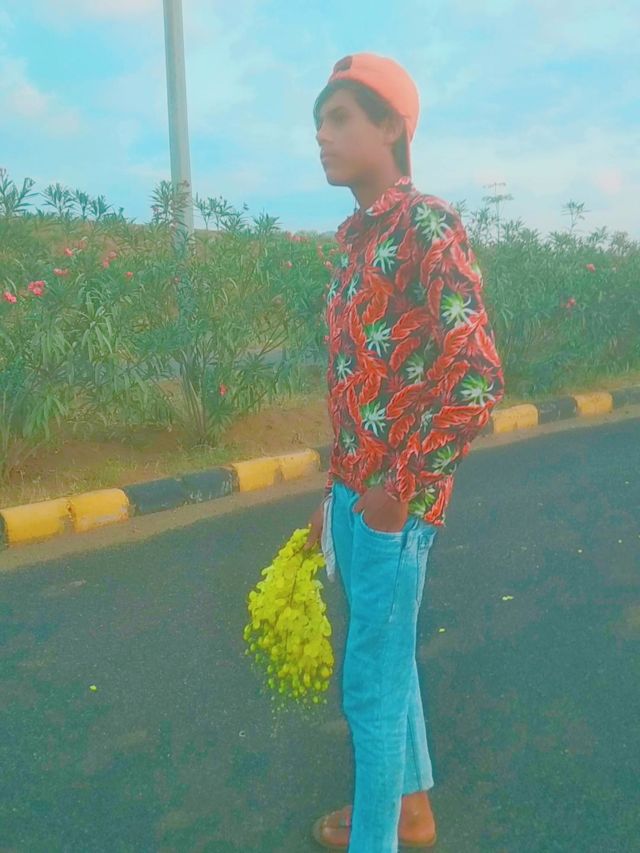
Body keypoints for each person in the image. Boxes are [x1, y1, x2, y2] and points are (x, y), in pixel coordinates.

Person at [304, 53, 505, 852]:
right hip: (355, 499)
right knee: (386, 667)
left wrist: (399, 488)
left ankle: (376, 838)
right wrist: (335, 493)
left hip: (394, 503)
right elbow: (358, 383)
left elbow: (477, 373)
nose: (321, 135)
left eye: (340, 117)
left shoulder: (428, 225)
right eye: (318, 122)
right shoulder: (354, 242)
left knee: (371, 688)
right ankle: (408, 812)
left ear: (391, 126)